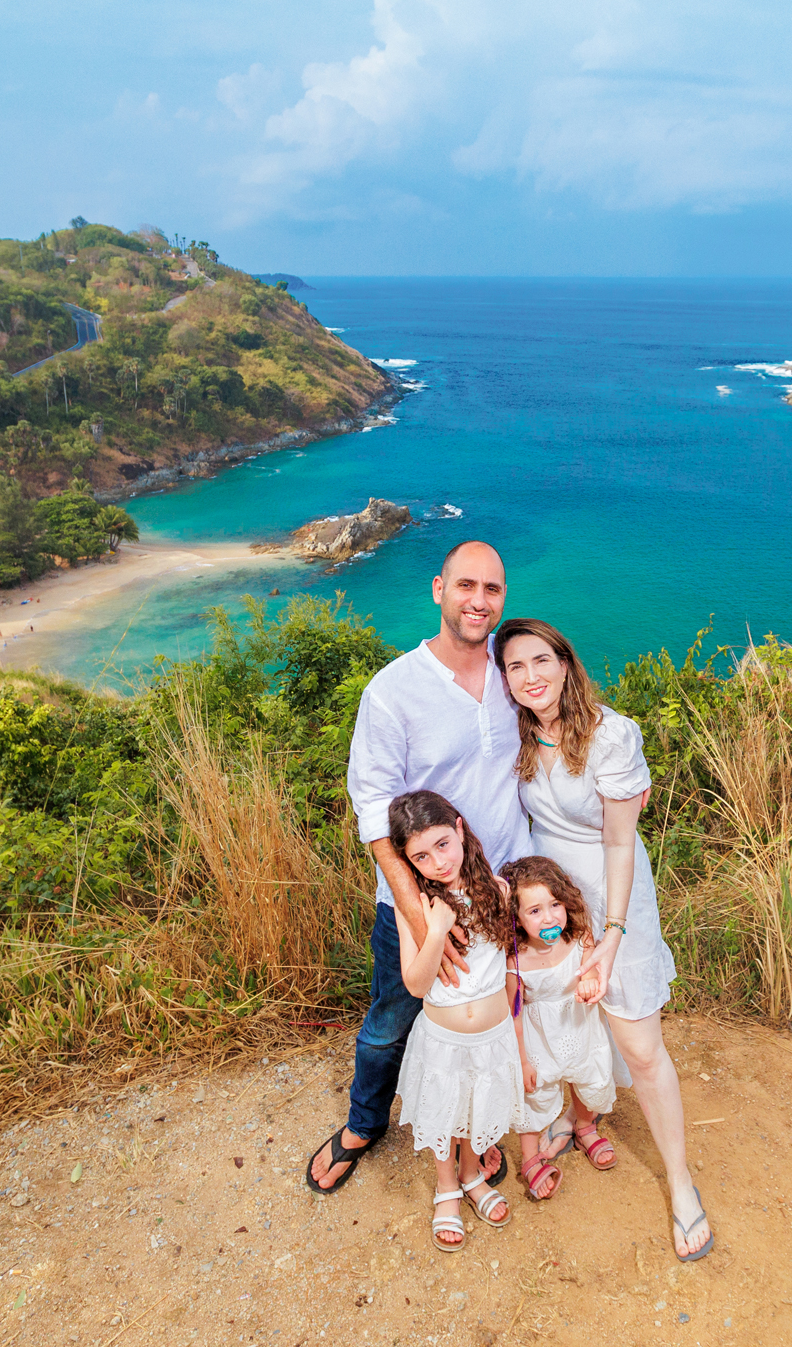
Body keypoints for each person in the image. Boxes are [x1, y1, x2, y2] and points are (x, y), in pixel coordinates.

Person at [306, 541, 530, 1196]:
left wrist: (623, 773)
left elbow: (561, 724)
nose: (478, 600)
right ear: (439, 590)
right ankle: (362, 1124)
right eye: (466, 585)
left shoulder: (513, 675)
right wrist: (422, 912)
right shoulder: (394, 690)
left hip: (497, 890)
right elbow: (372, 808)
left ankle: (477, 1133)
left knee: (492, 1016)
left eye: (492, 588)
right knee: (392, 1020)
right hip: (417, 897)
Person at [496, 615, 714, 1263]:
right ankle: (577, 1114)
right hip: (551, 899)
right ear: (505, 681)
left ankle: (679, 1181)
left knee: (640, 1046)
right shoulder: (517, 736)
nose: (530, 677)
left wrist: (612, 935)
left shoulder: (612, 736)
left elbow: (621, 841)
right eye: (515, 667)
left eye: (541, 660)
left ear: (566, 663)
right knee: (564, 1013)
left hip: (613, 890)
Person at [386, 792, 525, 1250]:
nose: (437, 862)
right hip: (443, 1036)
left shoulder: (500, 892)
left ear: (461, 830)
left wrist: (517, 1040)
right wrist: (439, 928)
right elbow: (417, 984)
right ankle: (447, 1188)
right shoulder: (418, 908)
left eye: (443, 844)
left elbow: (508, 968)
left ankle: (471, 1176)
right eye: (421, 856)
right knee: (446, 1111)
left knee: (472, 1108)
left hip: (492, 1033)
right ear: (408, 861)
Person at [502, 854, 615, 1204]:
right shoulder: (516, 959)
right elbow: (515, 1012)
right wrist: (522, 1061)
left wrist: (590, 981)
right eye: (534, 911)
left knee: (584, 1079)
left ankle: (584, 1127)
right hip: (538, 1037)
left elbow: (592, 970)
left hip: (580, 1026)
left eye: (555, 904)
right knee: (535, 1095)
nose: (549, 916)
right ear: (516, 918)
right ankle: (530, 1157)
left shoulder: (579, 937)